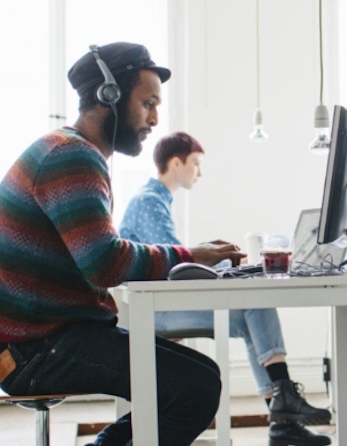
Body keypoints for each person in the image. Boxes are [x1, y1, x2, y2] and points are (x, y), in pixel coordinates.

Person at [0, 42, 246, 446]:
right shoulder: (72, 158)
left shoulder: (71, 153)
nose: (155, 118)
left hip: (45, 338)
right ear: (110, 97)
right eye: (148, 103)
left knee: (202, 378)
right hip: (33, 350)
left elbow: (102, 252)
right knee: (195, 387)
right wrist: (190, 255)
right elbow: (105, 262)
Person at [119, 131, 331, 446]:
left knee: (251, 312)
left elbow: (175, 259)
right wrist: (224, 267)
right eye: (195, 163)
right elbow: (175, 266)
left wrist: (225, 267)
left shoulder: (156, 200)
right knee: (253, 301)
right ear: (176, 163)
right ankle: (283, 401)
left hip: (160, 303)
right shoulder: (150, 201)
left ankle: (282, 419)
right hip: (152, 310)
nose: (199, 172)